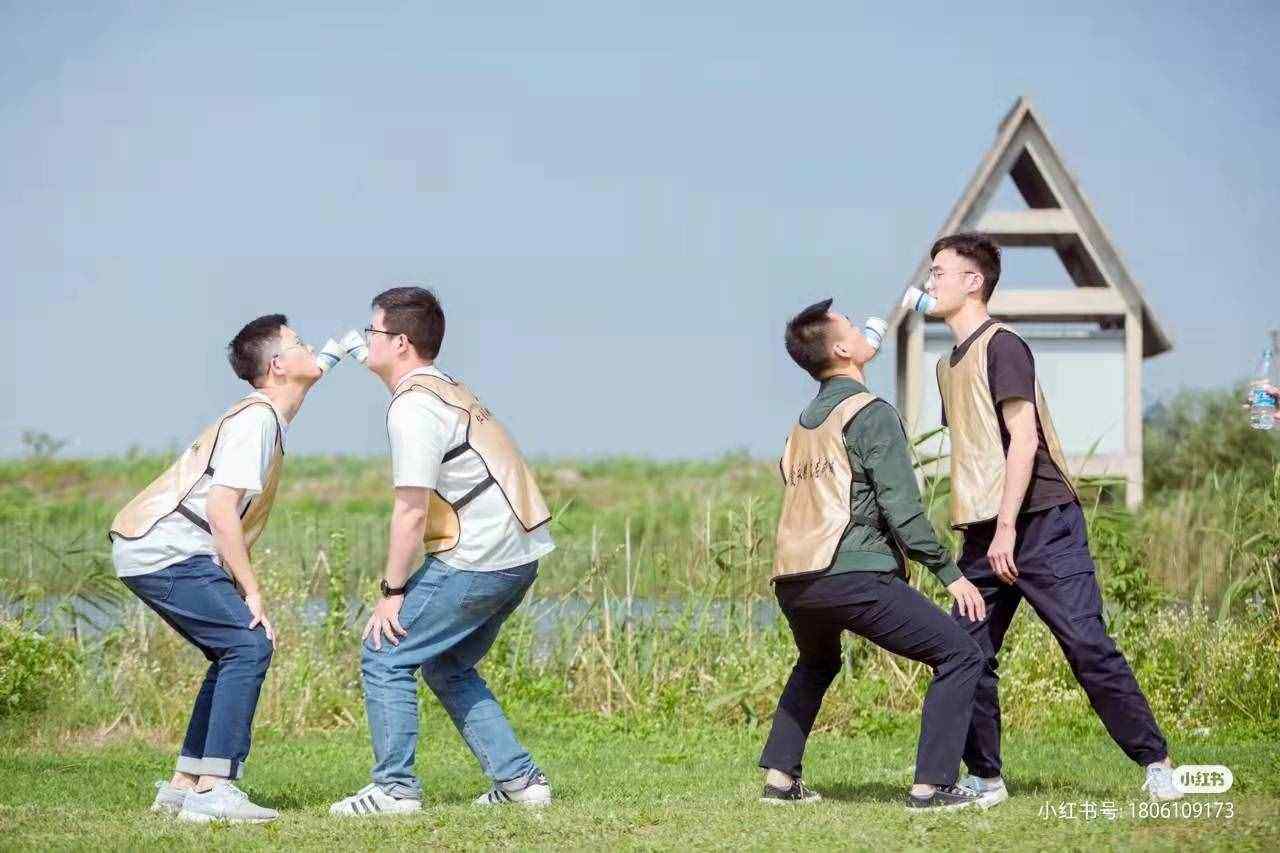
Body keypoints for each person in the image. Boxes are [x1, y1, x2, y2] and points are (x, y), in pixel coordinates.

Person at [924, 232, 1182, 804]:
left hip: (1041, 522)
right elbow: (976, 451)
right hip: (983, 532)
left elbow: (1023, 439)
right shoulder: (946, 365)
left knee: (1085, 643)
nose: (930, 281)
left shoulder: (1004, 345)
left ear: (973, 281)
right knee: (965, 651)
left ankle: (1157, 762)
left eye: (940, 271)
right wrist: (980, 529)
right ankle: (985, 777)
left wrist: (1008, 528)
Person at [330, 286, 556, 818]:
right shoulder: (444, 386)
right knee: (448, 665)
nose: (366, 339)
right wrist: (357, 353)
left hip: (478, 556)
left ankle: (394, 790)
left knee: (384, 653)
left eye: (373, 331)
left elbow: (410, 511)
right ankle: (521, 782)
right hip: (518, 553)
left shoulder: (413, 408)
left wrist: (392, 592)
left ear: (401, 343)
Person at [759, 298, 989, 812]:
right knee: (960, 654)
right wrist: (951, 575)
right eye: (849, 324)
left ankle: (780, 778)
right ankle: (931, 787)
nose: (863, 327)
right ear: (843, 350)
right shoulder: (871, 414)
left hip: (793, 582)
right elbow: (902, 509)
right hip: (851, 576)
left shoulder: (801, 426)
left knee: (817, 662)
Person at [109, 315, 322, 822]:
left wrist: (330, 360)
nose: (311, 347)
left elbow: (312, 373)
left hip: (158, 548)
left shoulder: (266, 413)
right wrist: (252, 591)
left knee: (232, 649)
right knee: (249, 644)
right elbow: (222, 509)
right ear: (277, 365)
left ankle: (185, 786)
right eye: (300, 343)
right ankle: (214, 791)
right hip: (166, 550)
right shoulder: (257, 420)